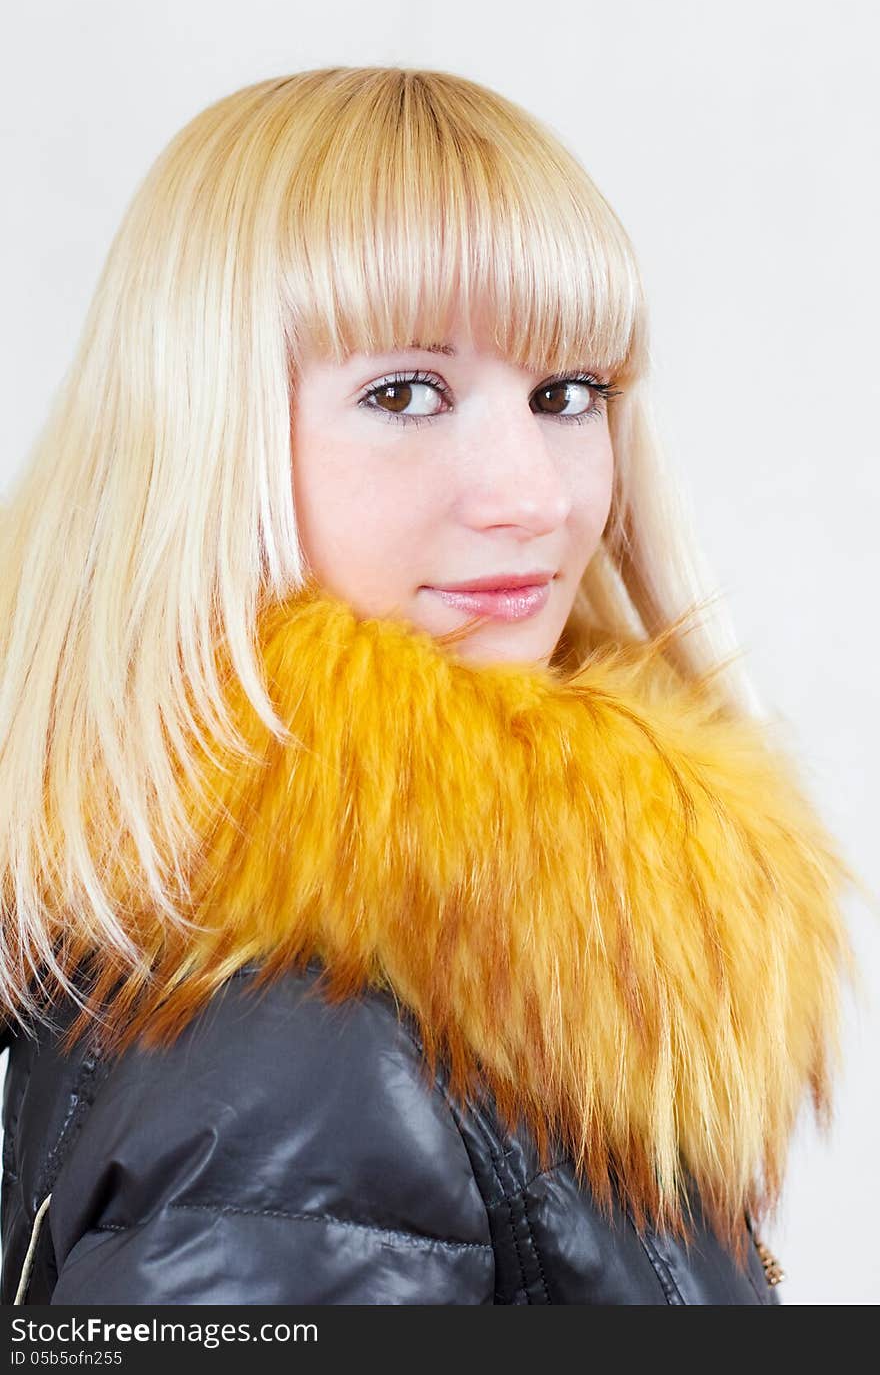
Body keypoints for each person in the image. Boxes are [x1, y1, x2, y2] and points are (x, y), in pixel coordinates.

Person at [0, 65, 860, 1305]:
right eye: (403, 392)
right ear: (202, 430)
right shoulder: (314, 1047)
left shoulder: (494, 945)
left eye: (568, 394)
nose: (533, 495)